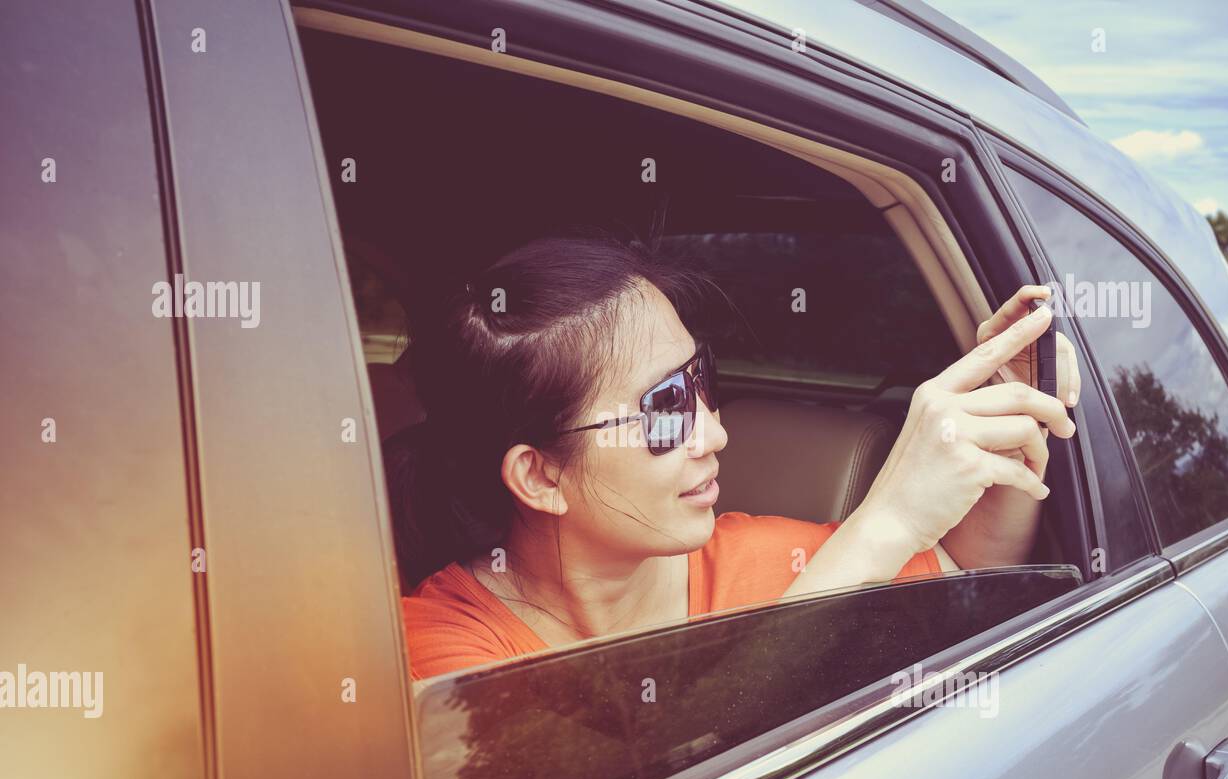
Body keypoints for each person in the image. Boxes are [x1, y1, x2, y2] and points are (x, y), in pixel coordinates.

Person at [395, 234, 1080, 680]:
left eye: (702, 380)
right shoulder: (439, 651)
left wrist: (1017, 409)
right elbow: (663, 778)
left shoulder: (754, 559)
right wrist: (885, 522)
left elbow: (971, 577)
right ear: (540, 477)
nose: (715, 433)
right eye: (665, 407)